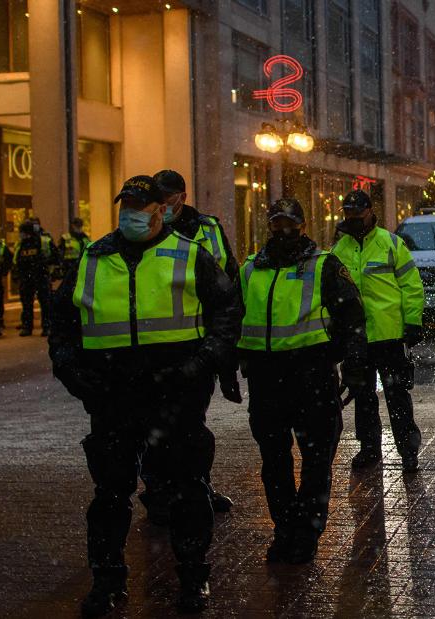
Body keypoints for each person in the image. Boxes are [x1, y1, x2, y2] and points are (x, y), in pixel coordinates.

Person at [48, 176, 240, 615]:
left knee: (188, 490)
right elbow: (62, 323)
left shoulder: (190, 256)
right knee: (110, 495)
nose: (132, 213)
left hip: (174, 395)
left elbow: (227, 313)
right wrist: (71, 372)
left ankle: (192, 577)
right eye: (127, 204)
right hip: (112, 397)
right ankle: (107, 582)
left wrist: (202, 363)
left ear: (161, 210)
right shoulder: (93, 258)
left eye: (141, 205)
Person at [238, 198, 369, 564]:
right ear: (269, 225)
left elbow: (352, 317)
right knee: (274, 463)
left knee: (315, 462)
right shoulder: (250, 270)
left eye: (289, 223)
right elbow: (233, 319)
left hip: (312, 378)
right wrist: (230, 367)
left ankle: (308, 532)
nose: (283, 231)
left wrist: (354, 364)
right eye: (277, 223)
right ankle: (284, 529)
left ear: (303, 224)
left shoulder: (324, 266)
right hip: (266, 381)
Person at [139, 169, 238, 518]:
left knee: (192, 423)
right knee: (155, 425)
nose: (164, 204)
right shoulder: (144, 230)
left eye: (169, 197)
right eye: (159, 197)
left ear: (182, 195)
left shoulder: (208, 229)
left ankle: (196, 487)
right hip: (154, 347)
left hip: (197, 346)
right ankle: (158, 493)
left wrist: (223, 346)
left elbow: (229, 281)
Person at [332, 189, 424, 472]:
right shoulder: (339, 250)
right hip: (356, 338)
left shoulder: (391, 244)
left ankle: (408, 451)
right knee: (363, 397)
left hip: (389, 336)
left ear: (370, 211)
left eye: (358, 214)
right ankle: (369, 449)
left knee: (397, 397)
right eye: (348, 214)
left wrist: (412, 321)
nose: (353, 219)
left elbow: (411, 284)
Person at [13, 219, 54, 336]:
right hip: (26, 278)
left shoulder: (43, 241)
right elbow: (16, 260)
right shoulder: (21, 244)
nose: (21, 235)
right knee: (26, 304)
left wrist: (44, 266)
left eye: (22, 232)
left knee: (45, 303)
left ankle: (47, 327)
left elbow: (54, 257)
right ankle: (27, 327)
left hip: (41, 276)